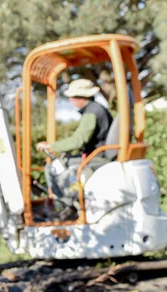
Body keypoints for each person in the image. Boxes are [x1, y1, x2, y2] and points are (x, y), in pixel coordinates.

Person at [36, 79, 113, 215]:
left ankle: (64, 205)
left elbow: (78, 140)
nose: (70, 100)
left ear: (81, 97)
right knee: (66, 160)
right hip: (100, 154)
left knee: (53, 167)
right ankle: (71, 203)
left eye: (72, 97)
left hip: (99, 157)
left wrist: (51, 146)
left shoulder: (91, 112)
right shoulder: (96, 108)